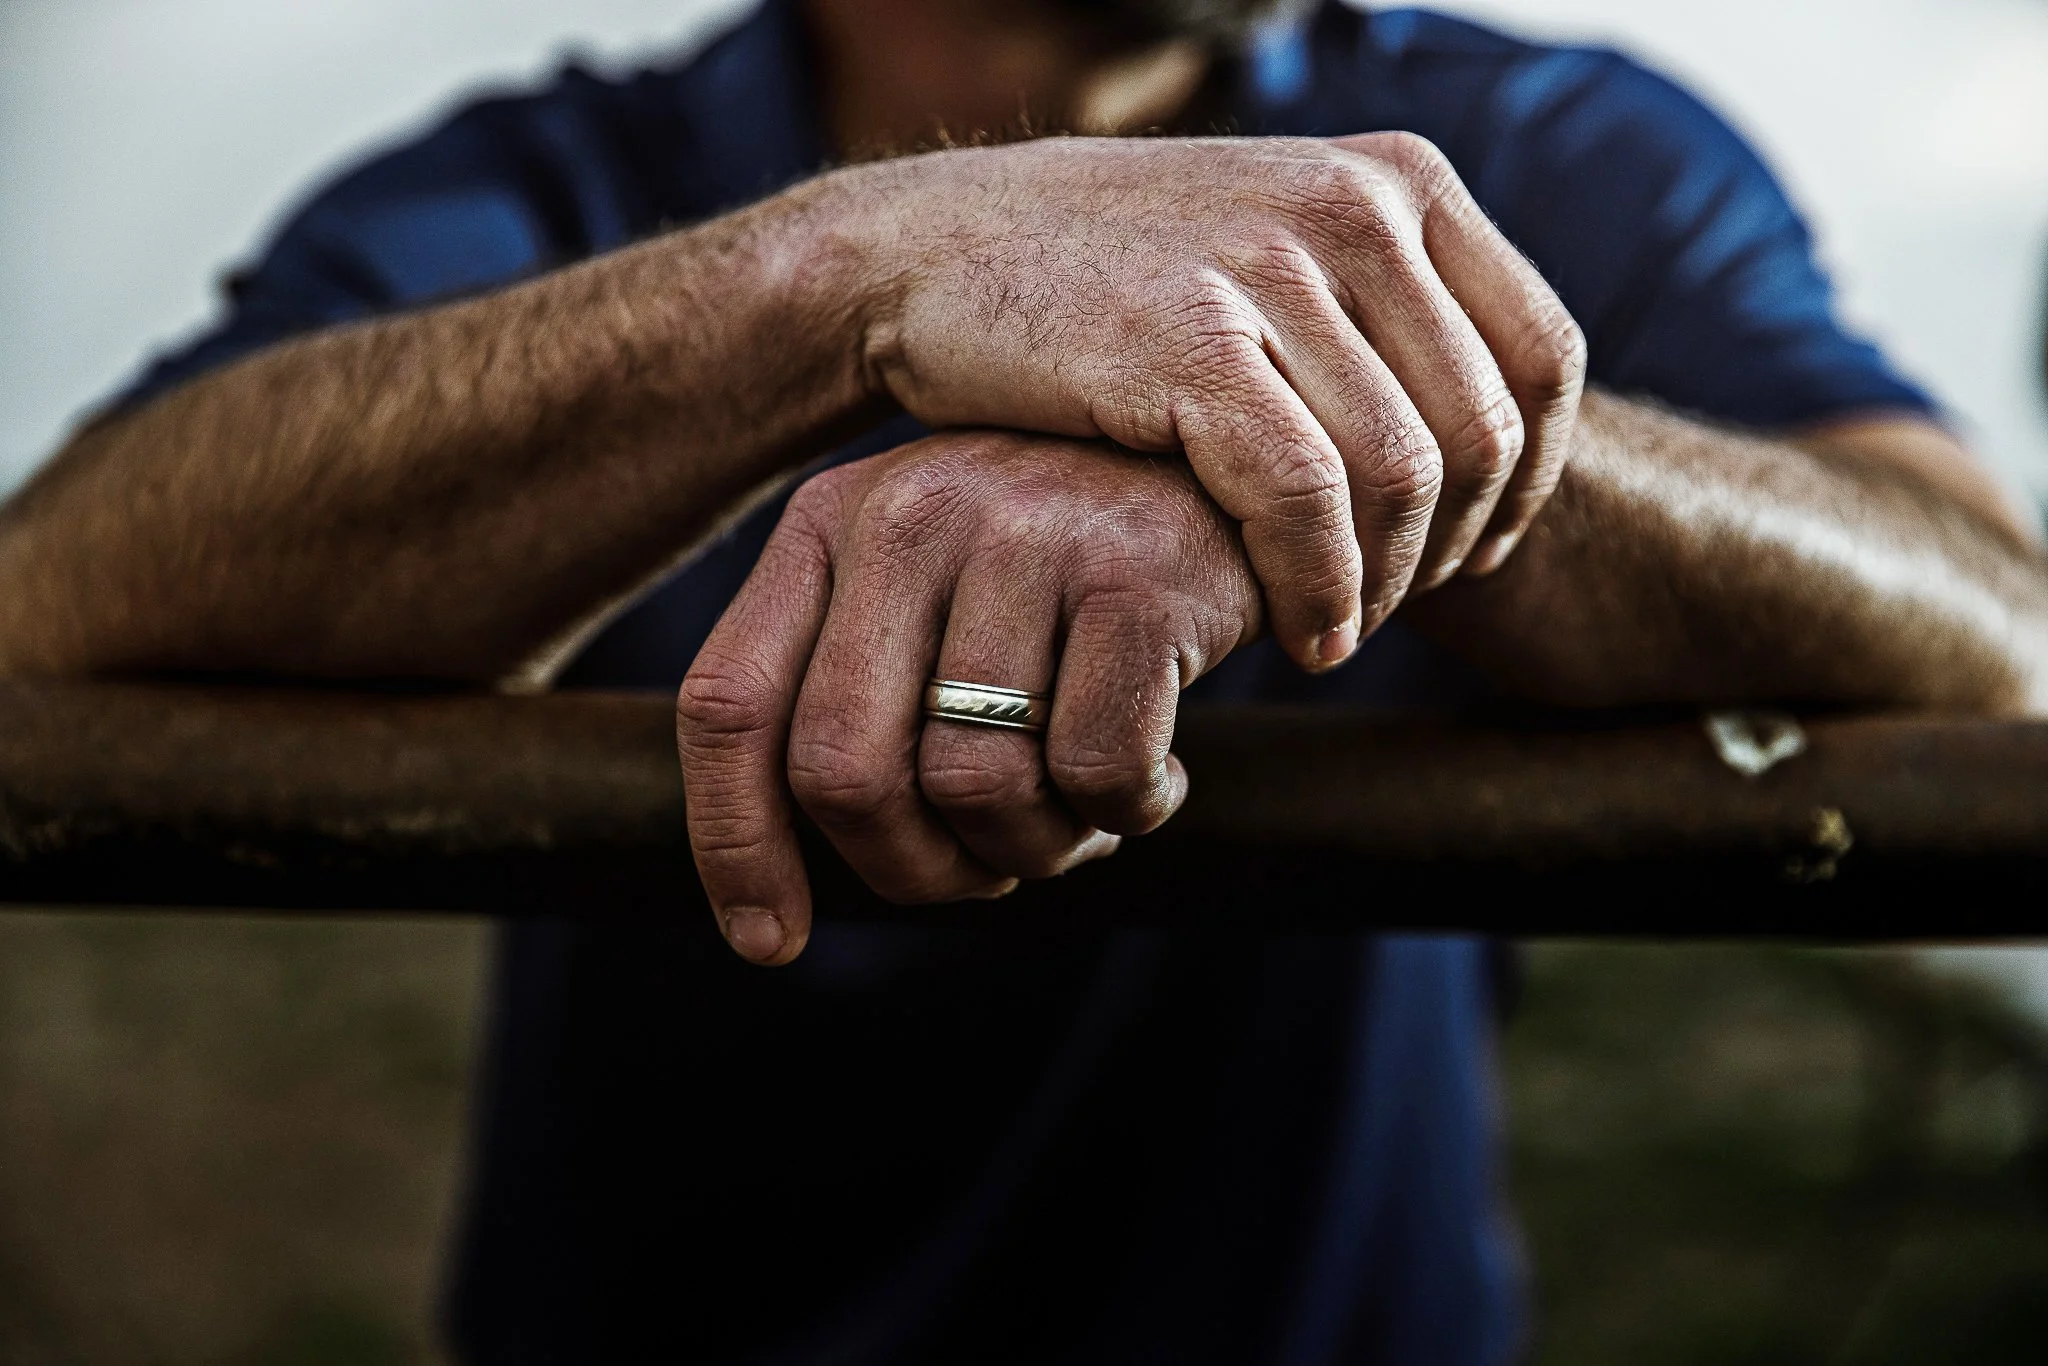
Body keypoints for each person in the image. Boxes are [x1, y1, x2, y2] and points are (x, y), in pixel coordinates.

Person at [2, 0, 2044, 1359]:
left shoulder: (1540, 146)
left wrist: (1295, 446)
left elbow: (1993, 631)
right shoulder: (551, 187)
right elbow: (58, 597)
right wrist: (837, 283)